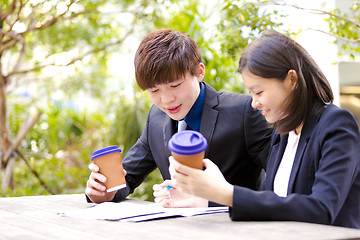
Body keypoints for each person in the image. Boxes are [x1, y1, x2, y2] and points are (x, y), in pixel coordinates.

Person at [169, 30, 360, 228]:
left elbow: (321, 209)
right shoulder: (282, 133)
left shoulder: (336, 124)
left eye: (258, 92)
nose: (254, 103)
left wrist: (228, 193)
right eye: (251, 93)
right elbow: (276, 202)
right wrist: (204, 198)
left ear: (292, 80)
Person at [85, 29, 271, 207]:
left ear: (199, 72)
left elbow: (281, 188)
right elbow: (127, 177)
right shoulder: (156, 117)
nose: (166, 100)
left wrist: (209, 202)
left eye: (175, 85)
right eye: (154, 90)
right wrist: (104, 190)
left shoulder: (245, 112)